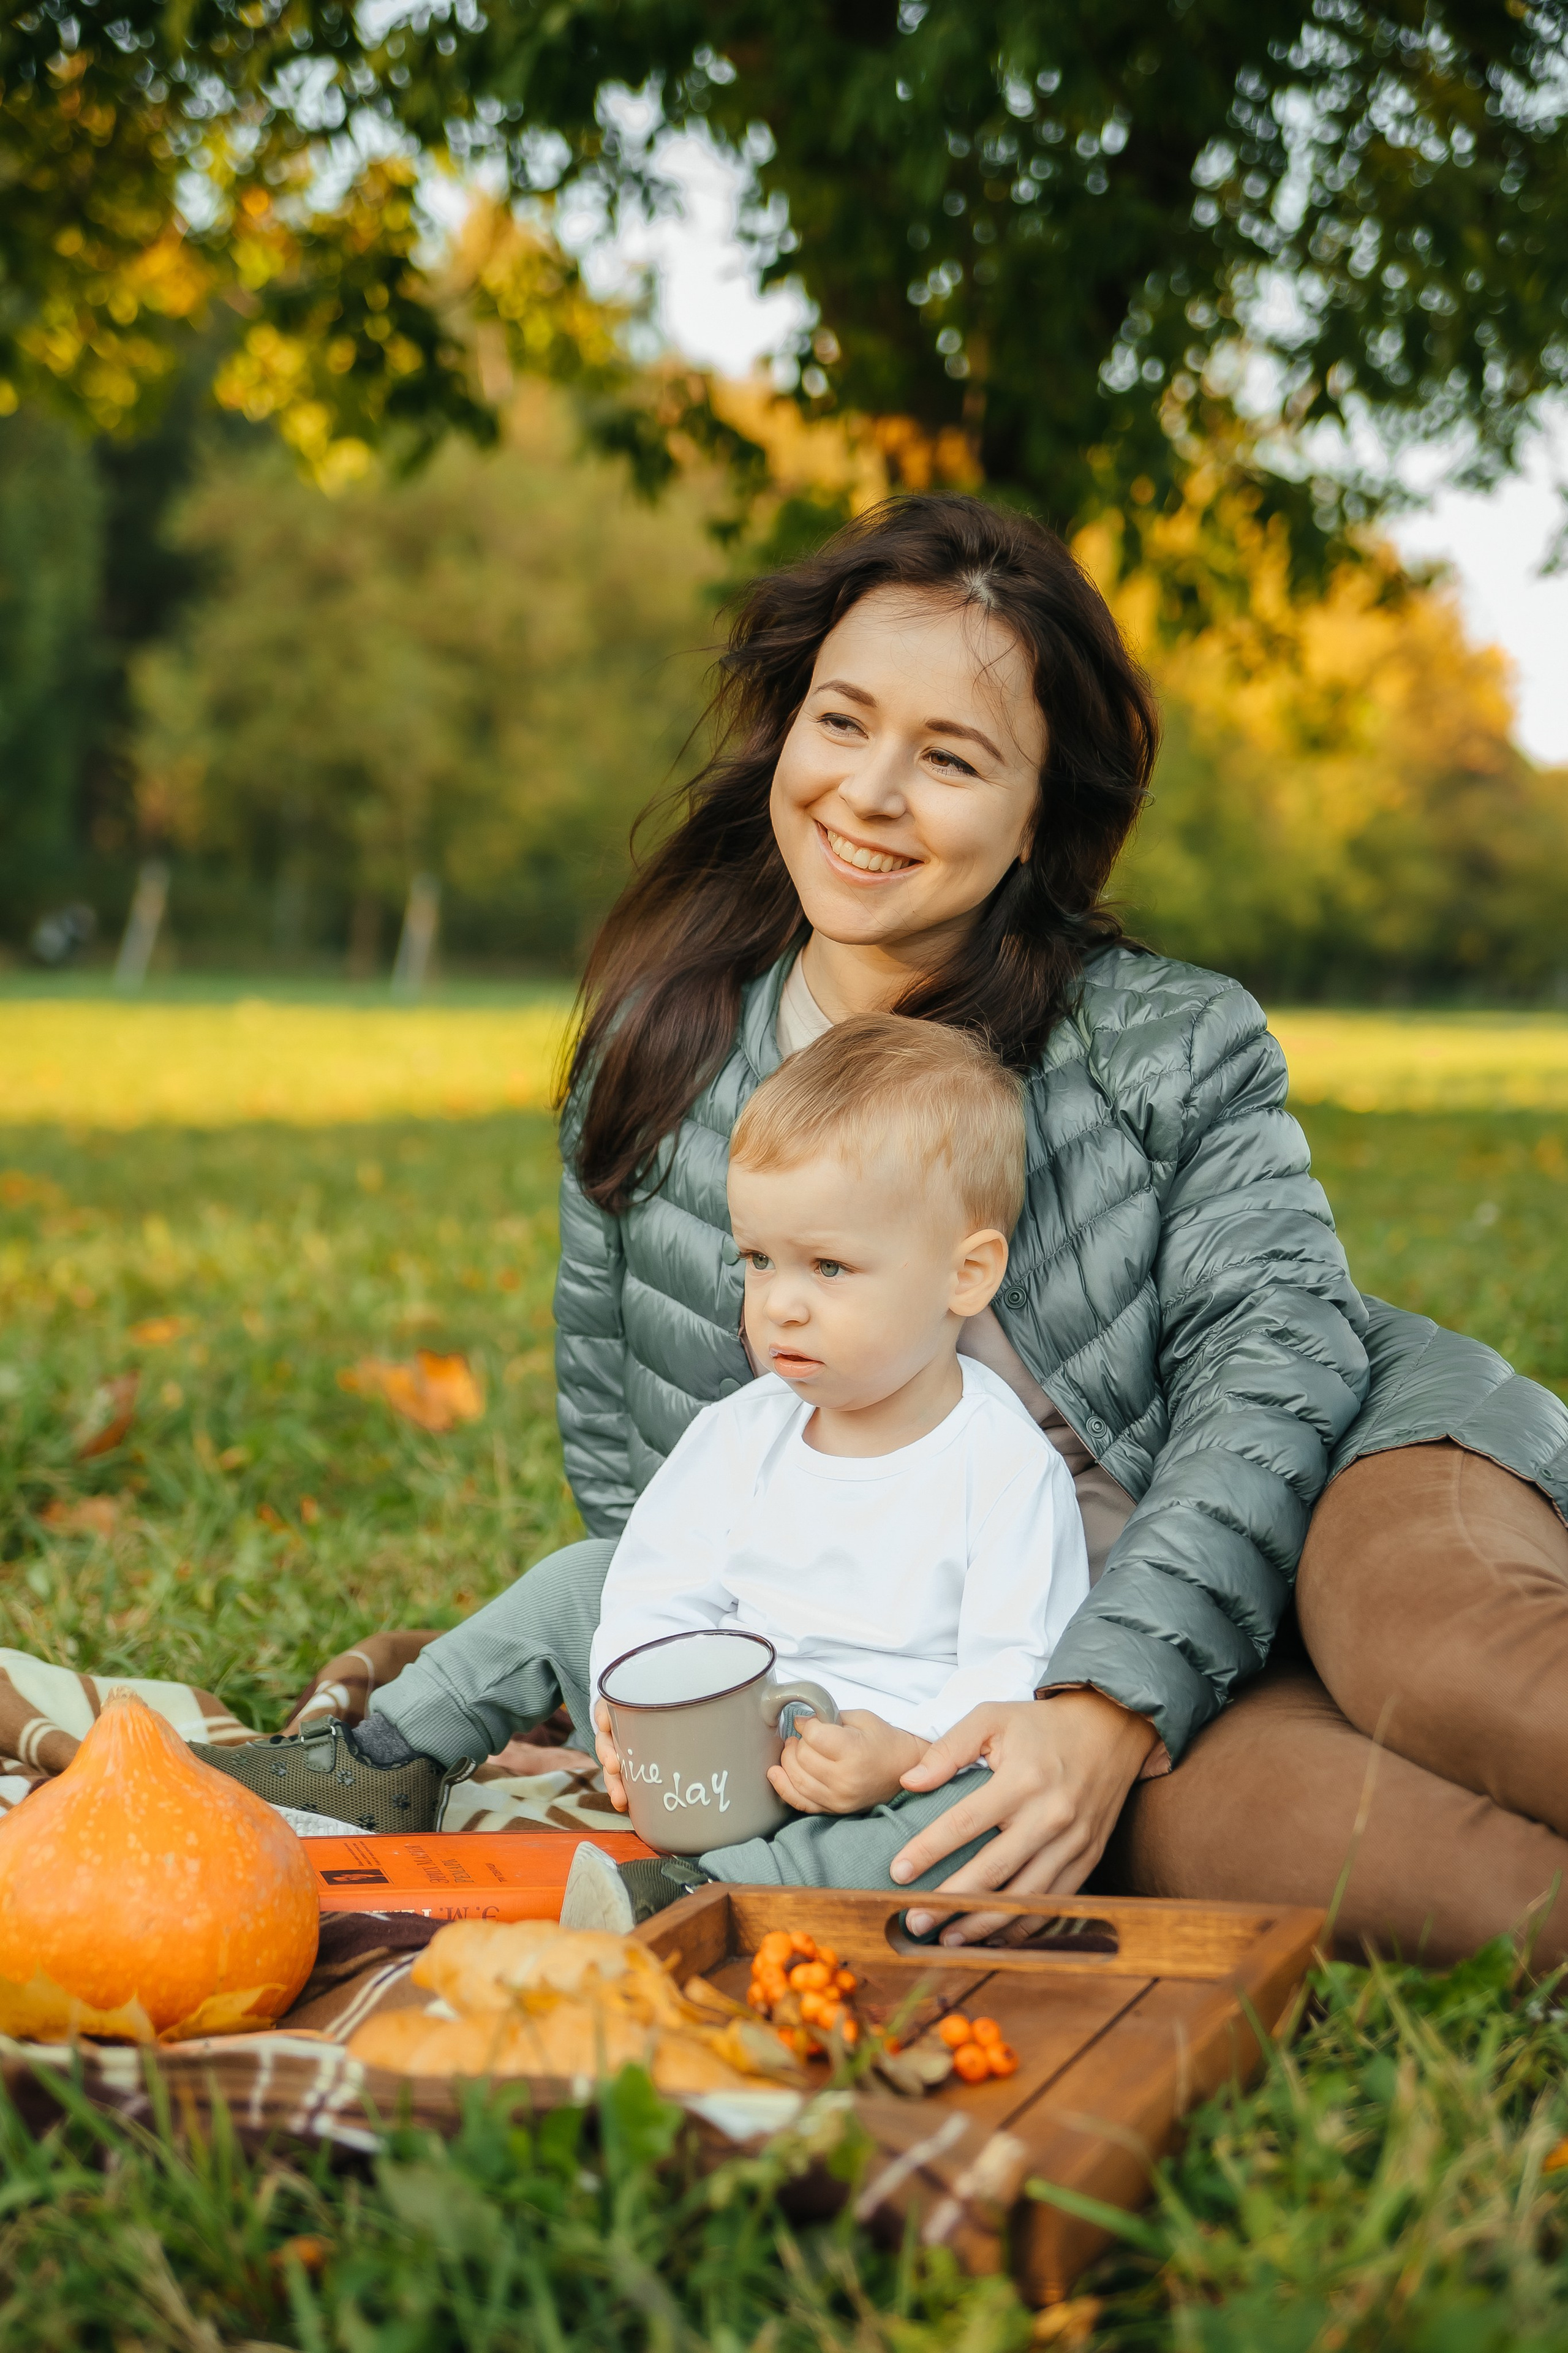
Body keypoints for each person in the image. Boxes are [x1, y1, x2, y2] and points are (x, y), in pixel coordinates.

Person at [205, 494, 1568, 1964]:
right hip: (1016, 1679)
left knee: (1437, 1665)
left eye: (951, 757)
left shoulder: (1165, 1041)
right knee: (1326, 1856)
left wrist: (1102, 1705)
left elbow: (1275, 1365)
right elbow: (652, 1485)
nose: (867, 793)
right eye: (841, 723)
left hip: (1335, 1474)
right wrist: (692, 1714)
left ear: (1037, 815)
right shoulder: (658, 1065)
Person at [586, 1014, 1090, 1887]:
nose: (780, 1304)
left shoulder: (1002, 1465)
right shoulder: (744, 1431)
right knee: (575, 1580)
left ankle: (709, 1894)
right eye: (758, 1259)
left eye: (828, 1267)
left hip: (886, 1769)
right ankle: (394, 1747)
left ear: (965, 1275)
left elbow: (1017, 1673)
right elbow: (658, 1584)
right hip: (724, 1740)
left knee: (959, 1834)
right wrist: (628, 1699)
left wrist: (903, 1754)